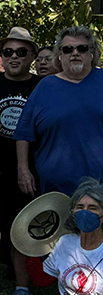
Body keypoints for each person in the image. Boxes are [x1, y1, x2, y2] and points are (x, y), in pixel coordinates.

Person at [0, 27, 40, 283]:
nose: (14, 57)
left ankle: (19, 275)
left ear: (32, 56)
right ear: (0, 56)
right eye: (7, 52)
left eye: (20, 52)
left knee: (22, 221)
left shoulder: (42, 85)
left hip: (30, 165)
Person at [15, 26, 103, 198]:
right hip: (56, 188)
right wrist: (23, 170)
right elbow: (23, 134)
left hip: (99, 187)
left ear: (91, 53)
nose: (75, 53)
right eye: (68, 49)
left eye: (82, 48)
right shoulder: (45, 87)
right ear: (60, 56)